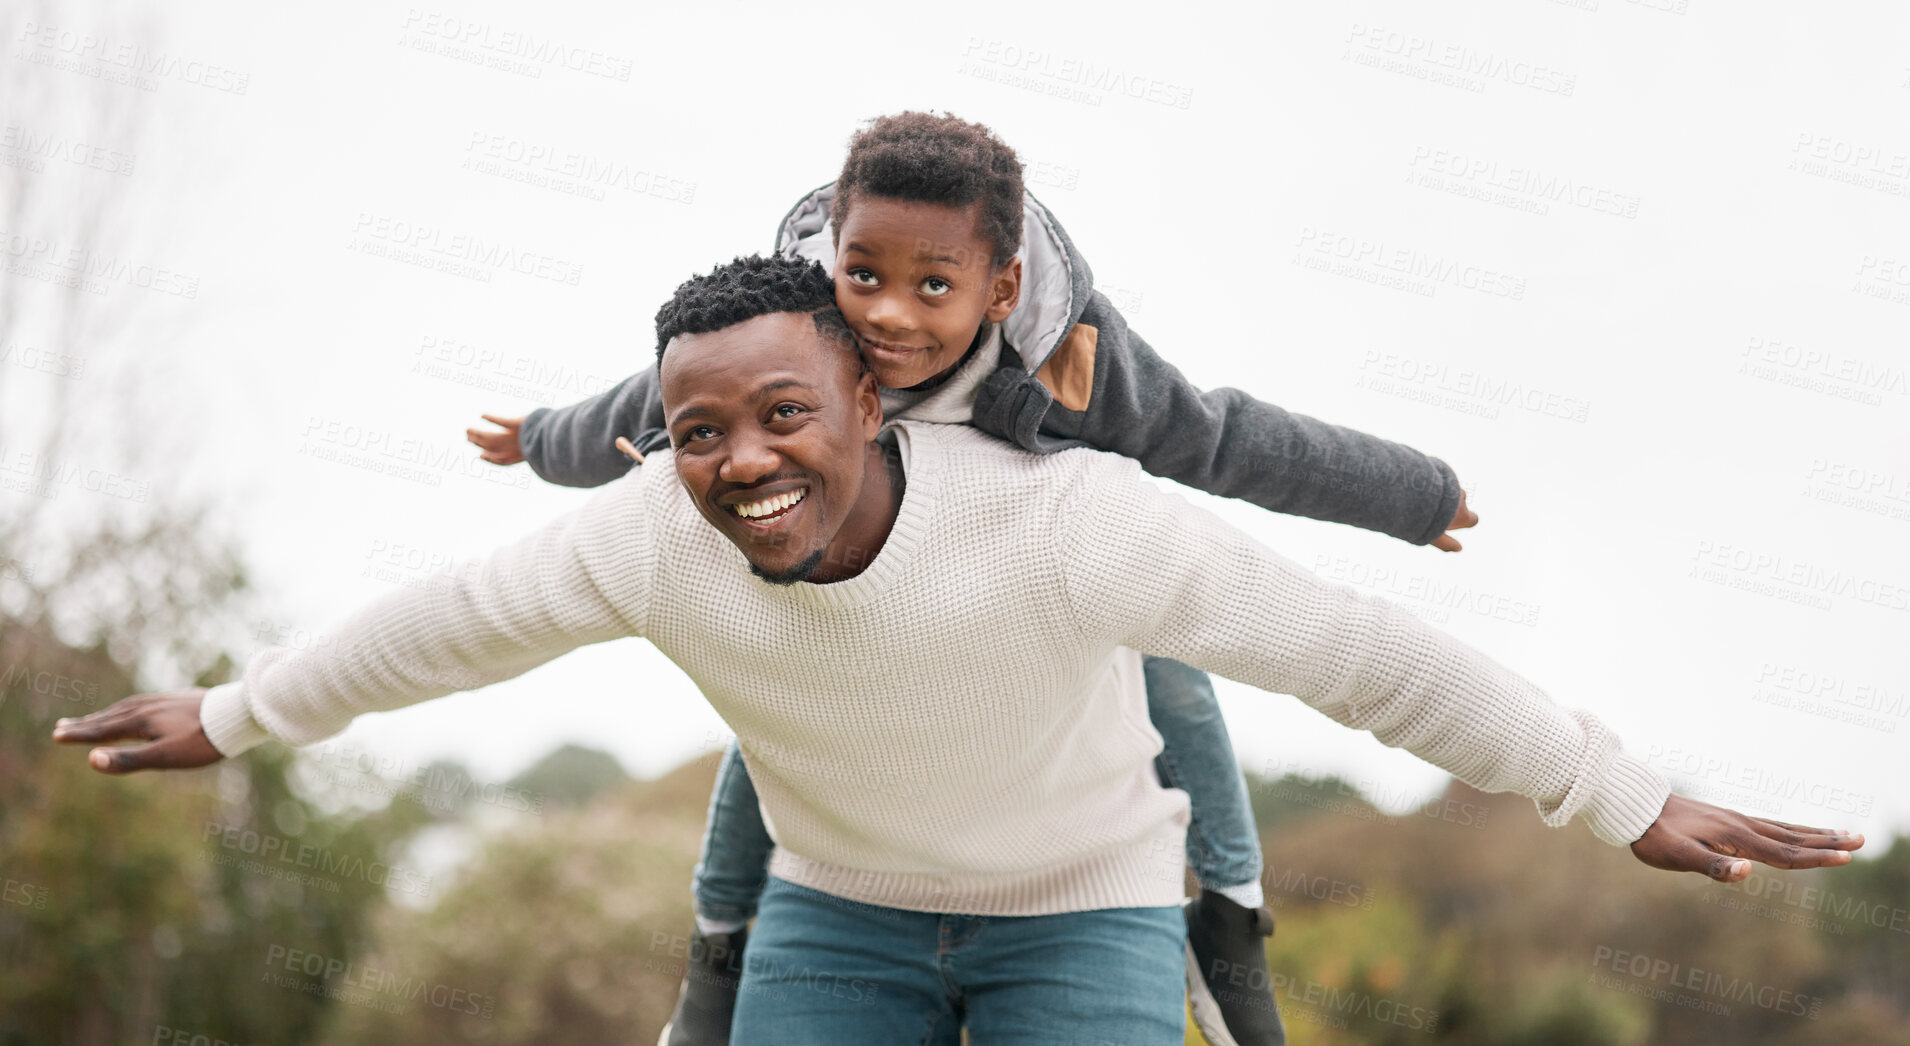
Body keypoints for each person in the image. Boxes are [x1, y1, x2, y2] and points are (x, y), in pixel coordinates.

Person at [56, 255, 1863, 1046]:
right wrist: (234, 711)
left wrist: (1617, 792)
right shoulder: (646, 532)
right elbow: (443, 627)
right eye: (698, 434)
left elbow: (1357, 653)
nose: (741, 460)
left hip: (1085, 903)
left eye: (780, 412)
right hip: (837, 911)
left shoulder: (1067, 517)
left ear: (873, 390)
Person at [468, 112, 1477, 1046]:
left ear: (999, 286)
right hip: (860, 605)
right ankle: (720, 939)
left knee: (1160, 657)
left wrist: (1415, 495)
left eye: (934, 288)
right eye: (865, 277)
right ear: (835, 259)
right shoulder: (804, 315)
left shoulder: (1071, 351)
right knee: (781, 716)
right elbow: (658, 387)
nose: (888, 318)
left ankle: (1226, 909)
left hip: (1041, 595)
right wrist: (545, 439)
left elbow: (1223, 439)